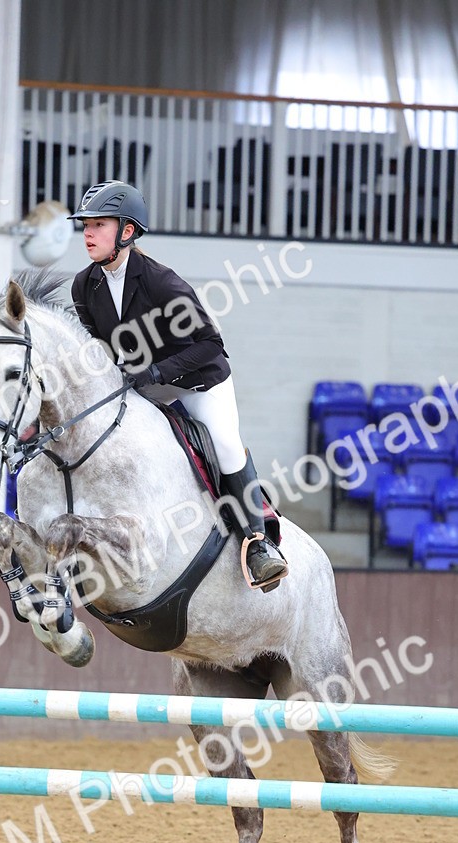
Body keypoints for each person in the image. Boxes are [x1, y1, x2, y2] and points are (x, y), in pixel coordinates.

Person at [69, 179, 287, 591]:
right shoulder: (84, 285)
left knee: (225, 443)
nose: (88, 233)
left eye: (98, 224)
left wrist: (155, 373)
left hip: (197, 379)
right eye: (86, 225)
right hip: (144, 382)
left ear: (127, 231)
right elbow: (98, 346)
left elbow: (211, 344)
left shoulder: (161, 282)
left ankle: (259, 542)